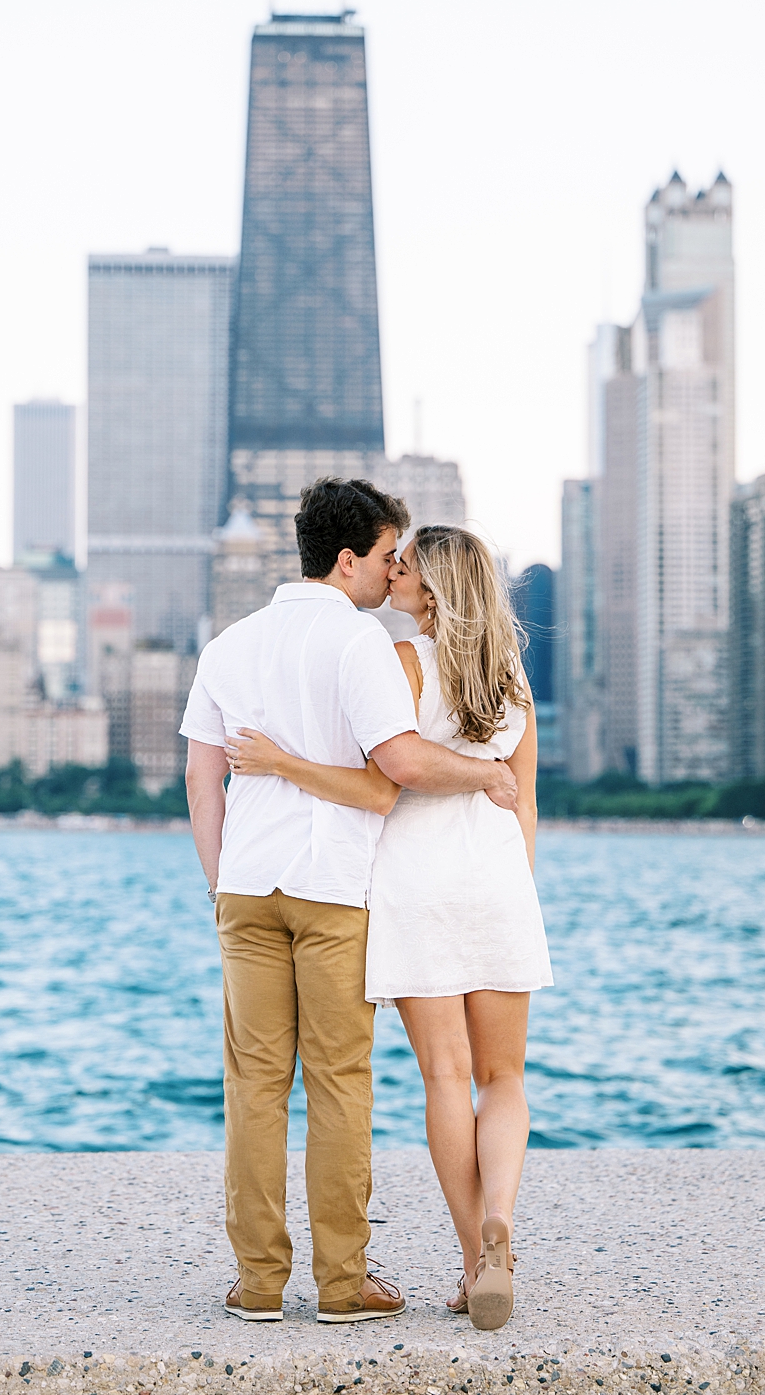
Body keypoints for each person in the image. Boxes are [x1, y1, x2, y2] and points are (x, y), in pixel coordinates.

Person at [181, 478, 520, 1325]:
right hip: (333, 890)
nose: (391, 573)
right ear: (346, 560)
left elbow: (200, 776)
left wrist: (221, 884)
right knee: (339, 1084)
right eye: (385, 557)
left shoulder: (227, 644)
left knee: (254, 1086)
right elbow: (389, 780)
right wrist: (490, 777)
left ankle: (258, 1285)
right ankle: (342, 1286)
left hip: (246, 889)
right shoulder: (360, 645)